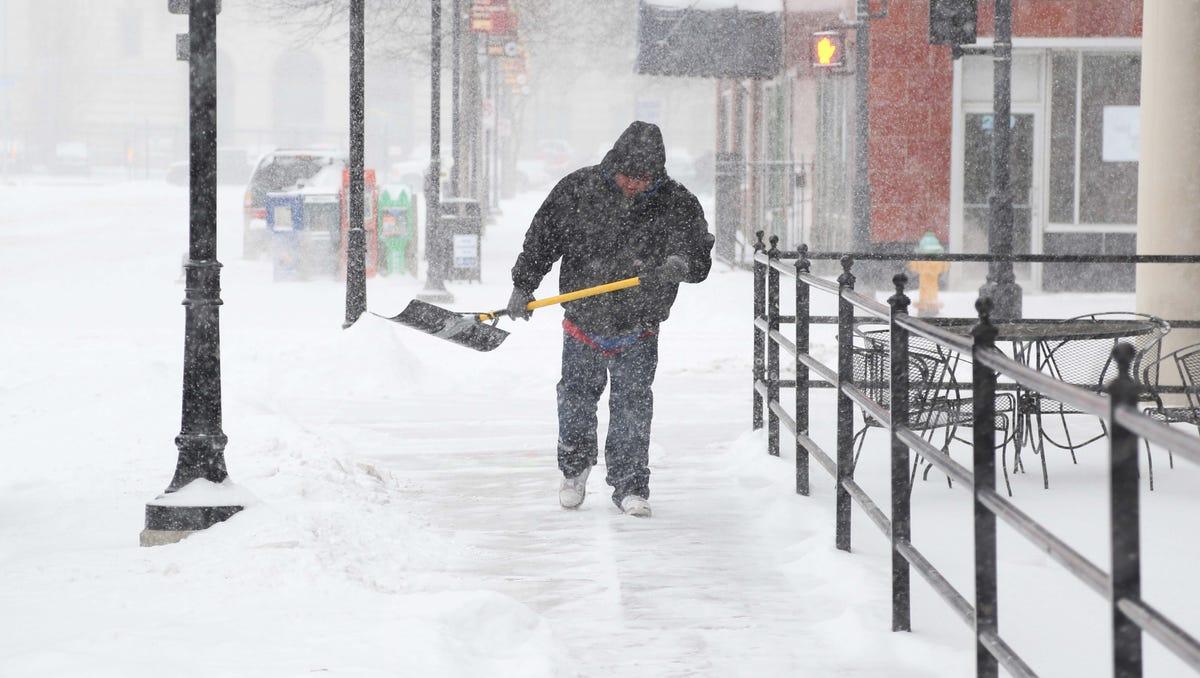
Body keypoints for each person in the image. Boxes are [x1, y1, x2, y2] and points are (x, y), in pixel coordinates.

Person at [507, 121, 714, 518]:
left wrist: (680, 265)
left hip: (640, 321)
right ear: (612, 166)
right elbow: (542, 238)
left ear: (656, 174)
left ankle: (631, 484)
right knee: (576, 398)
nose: (633, 185)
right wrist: (523, 284)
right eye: (627, 176)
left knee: (633, 405)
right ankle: (575, 469)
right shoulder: (579, 190)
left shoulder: (676, 203)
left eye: (643, 178)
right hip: (584, 317)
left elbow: (699, 258)